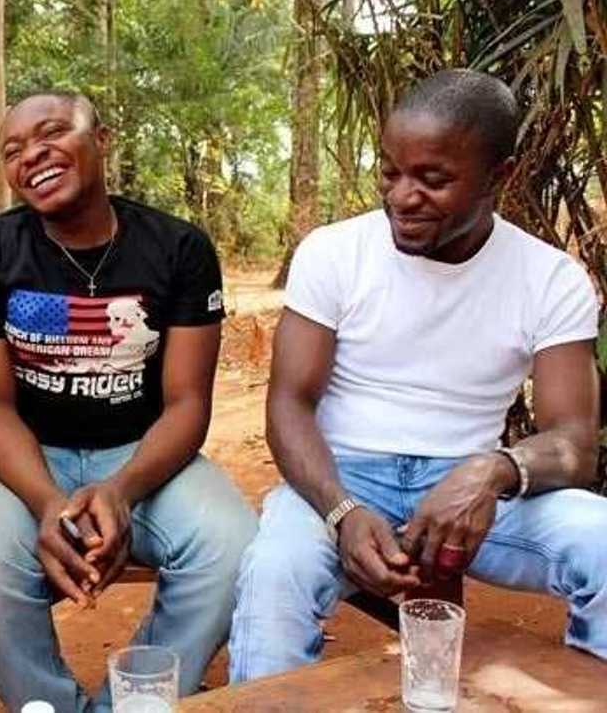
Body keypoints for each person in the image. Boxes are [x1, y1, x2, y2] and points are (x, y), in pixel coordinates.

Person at [228, 69, 607, 682]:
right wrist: (341, 511)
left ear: (499, 177)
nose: (402, 197)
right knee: (278, 571)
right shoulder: (334, 253)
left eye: (434, 179)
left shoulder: (549, 279)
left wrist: (494, 471)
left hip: (470, 491)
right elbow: (289, 406)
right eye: (391, 172)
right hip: (339, 477)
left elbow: (574, 442)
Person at [0, 91, 258, 711]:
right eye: (13, 151)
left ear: (102, 140)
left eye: (52, 133)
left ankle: (130, 704)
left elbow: (188, 404)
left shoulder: (178, 249)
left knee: (233, 546)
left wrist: (122, 488)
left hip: (146, 457)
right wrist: (46, 502)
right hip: (26, 462)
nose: (34, 155)